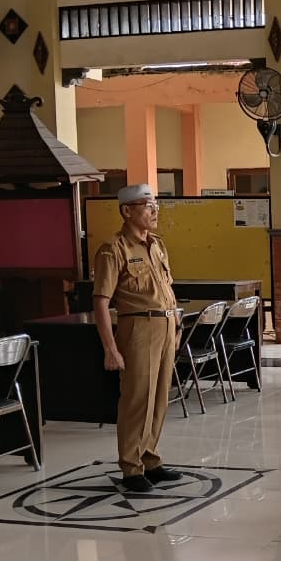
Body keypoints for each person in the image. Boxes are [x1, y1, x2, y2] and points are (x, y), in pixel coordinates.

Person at [91, 184, 184, 494]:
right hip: (138, 329)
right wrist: (110, 349)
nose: (154, 211)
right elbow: (101, 302)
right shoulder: (113, 249)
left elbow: (167, 291)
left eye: (155, 204)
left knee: (159, 397)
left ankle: (150, 458)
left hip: (166, 327)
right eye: (147, 205)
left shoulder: (157, 245)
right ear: (127, 211)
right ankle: (131, 467)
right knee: (137, 399)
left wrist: (177, 327)